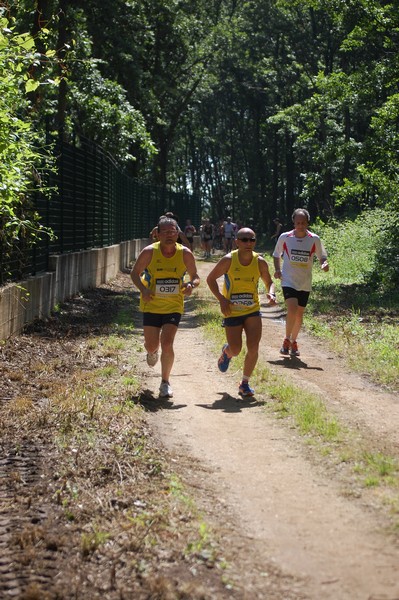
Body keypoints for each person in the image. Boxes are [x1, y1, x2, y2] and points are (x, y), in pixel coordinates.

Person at [131, 216, 200, 398]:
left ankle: (165, 382)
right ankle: (151, 351)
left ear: (177, 233)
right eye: (166, 232)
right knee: (152, 345)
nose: (170, 235)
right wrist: (144, 290)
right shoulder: (149, 252)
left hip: (173, 305)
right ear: (158, 234)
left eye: (173, 231)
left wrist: (191, 285)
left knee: (167, 343)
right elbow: (135, 274)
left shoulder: (185, 253)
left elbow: (195, 276)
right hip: (151, 305)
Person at [206, 227, 276, 397]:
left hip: (252, 310)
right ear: (236, 242)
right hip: (232, 311)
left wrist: (271, 292)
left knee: (253, 347)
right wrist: (222, 299)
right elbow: (210, 279)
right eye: (244, 239)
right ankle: (227, 352)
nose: (248, 243)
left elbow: (269, 282)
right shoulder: (229, 260)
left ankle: (244, 383)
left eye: (252, 240)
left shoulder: (260, 261)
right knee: (236, 349)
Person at [272, 208, 329, 357]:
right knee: (292, 308)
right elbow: (276, 254)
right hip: (288, 280)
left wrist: (324, 263)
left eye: (303, 223)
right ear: (293, 222)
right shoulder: (285, 237)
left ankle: (294, 341)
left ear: (307, 223)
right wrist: (277, 270)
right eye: (298, 222)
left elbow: (322, 256)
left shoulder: (314, 239)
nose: (300, 225)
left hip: (304, 282)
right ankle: (286, 340)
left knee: (299, 313)